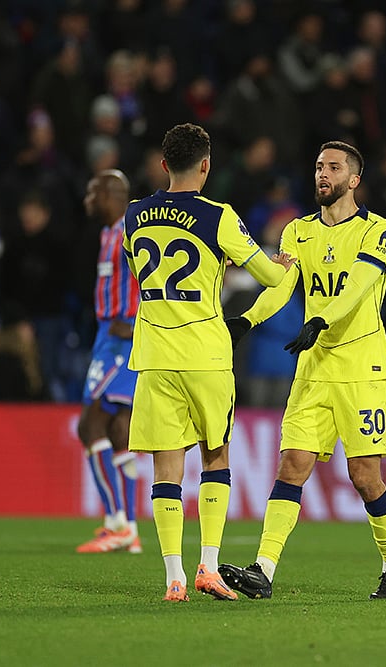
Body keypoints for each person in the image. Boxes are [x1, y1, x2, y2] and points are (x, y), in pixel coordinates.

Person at [218, 140, 386, 600]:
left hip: (363, 367)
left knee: (364, 476)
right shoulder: (297, 232)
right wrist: (246, 320)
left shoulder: (377, 230)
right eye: (319, 166)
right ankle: (263, 570)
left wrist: (321, 318)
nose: (323, 174)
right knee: (292, 465)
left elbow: (360, 286)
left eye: (334, 167)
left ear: (354, 179)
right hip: (314, 367)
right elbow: (282, 287)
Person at [122, 123, 296, 602]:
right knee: (215, 456)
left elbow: (137, 274)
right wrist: (286, 264)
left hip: (155, 355)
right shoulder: (217, 215)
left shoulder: (134, 215)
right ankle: (209, 567)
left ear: (163, 165)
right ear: (206, 165)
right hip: (206, 353)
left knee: (166, 465)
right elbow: (264, 273)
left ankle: (173, 576)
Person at [74, 170, 142, 555]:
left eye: (92, 193)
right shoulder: (107, 232)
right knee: (119, 428)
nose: (87, 200)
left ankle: (116, 519)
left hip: (124, 336)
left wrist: (140, 323)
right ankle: (128, 527)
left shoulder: (131, 230)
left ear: (112, 195)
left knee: (90, 424)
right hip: (108, 336)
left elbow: (156, 272)